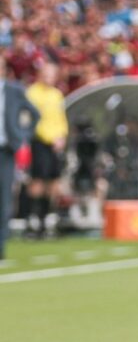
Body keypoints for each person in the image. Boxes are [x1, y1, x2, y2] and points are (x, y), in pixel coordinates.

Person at [0, 57, 40, 264]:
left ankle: (1, 247)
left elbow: (34, 113)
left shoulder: (14, 90)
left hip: (6, 151)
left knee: (4, 200)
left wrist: (22, 135)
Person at [25, 62, 68, 239]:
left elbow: (61, 119)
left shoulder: (56, 94)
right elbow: (32, 121)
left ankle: (46, 221)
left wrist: (62, 137)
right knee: (37, 181)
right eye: (47, 74)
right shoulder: (32, 93)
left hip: (55, 143)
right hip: (40, 142)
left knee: (53, 182)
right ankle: (32, 221)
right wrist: (50, 138)